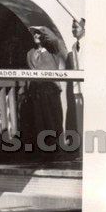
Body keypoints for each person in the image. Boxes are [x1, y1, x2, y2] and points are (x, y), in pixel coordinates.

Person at [19, 26, 65, 156]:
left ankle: (57, 152)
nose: (36, 35)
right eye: (34, 34)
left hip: (51, 90)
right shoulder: (30, 53)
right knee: (39, 123)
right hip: (36, 92)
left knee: (53, 121)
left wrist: (42, 28)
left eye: (38, 34)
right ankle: (43, 154)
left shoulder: (52, 50)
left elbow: (54, 39)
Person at [65, 17, 85, 141]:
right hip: (77, 89)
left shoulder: (91, 43)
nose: (73, 29)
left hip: (88, 88)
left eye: (75, 27)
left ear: (84, 28)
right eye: (72, 27)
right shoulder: (73, 46)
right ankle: (81, 150)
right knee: (79, 120)